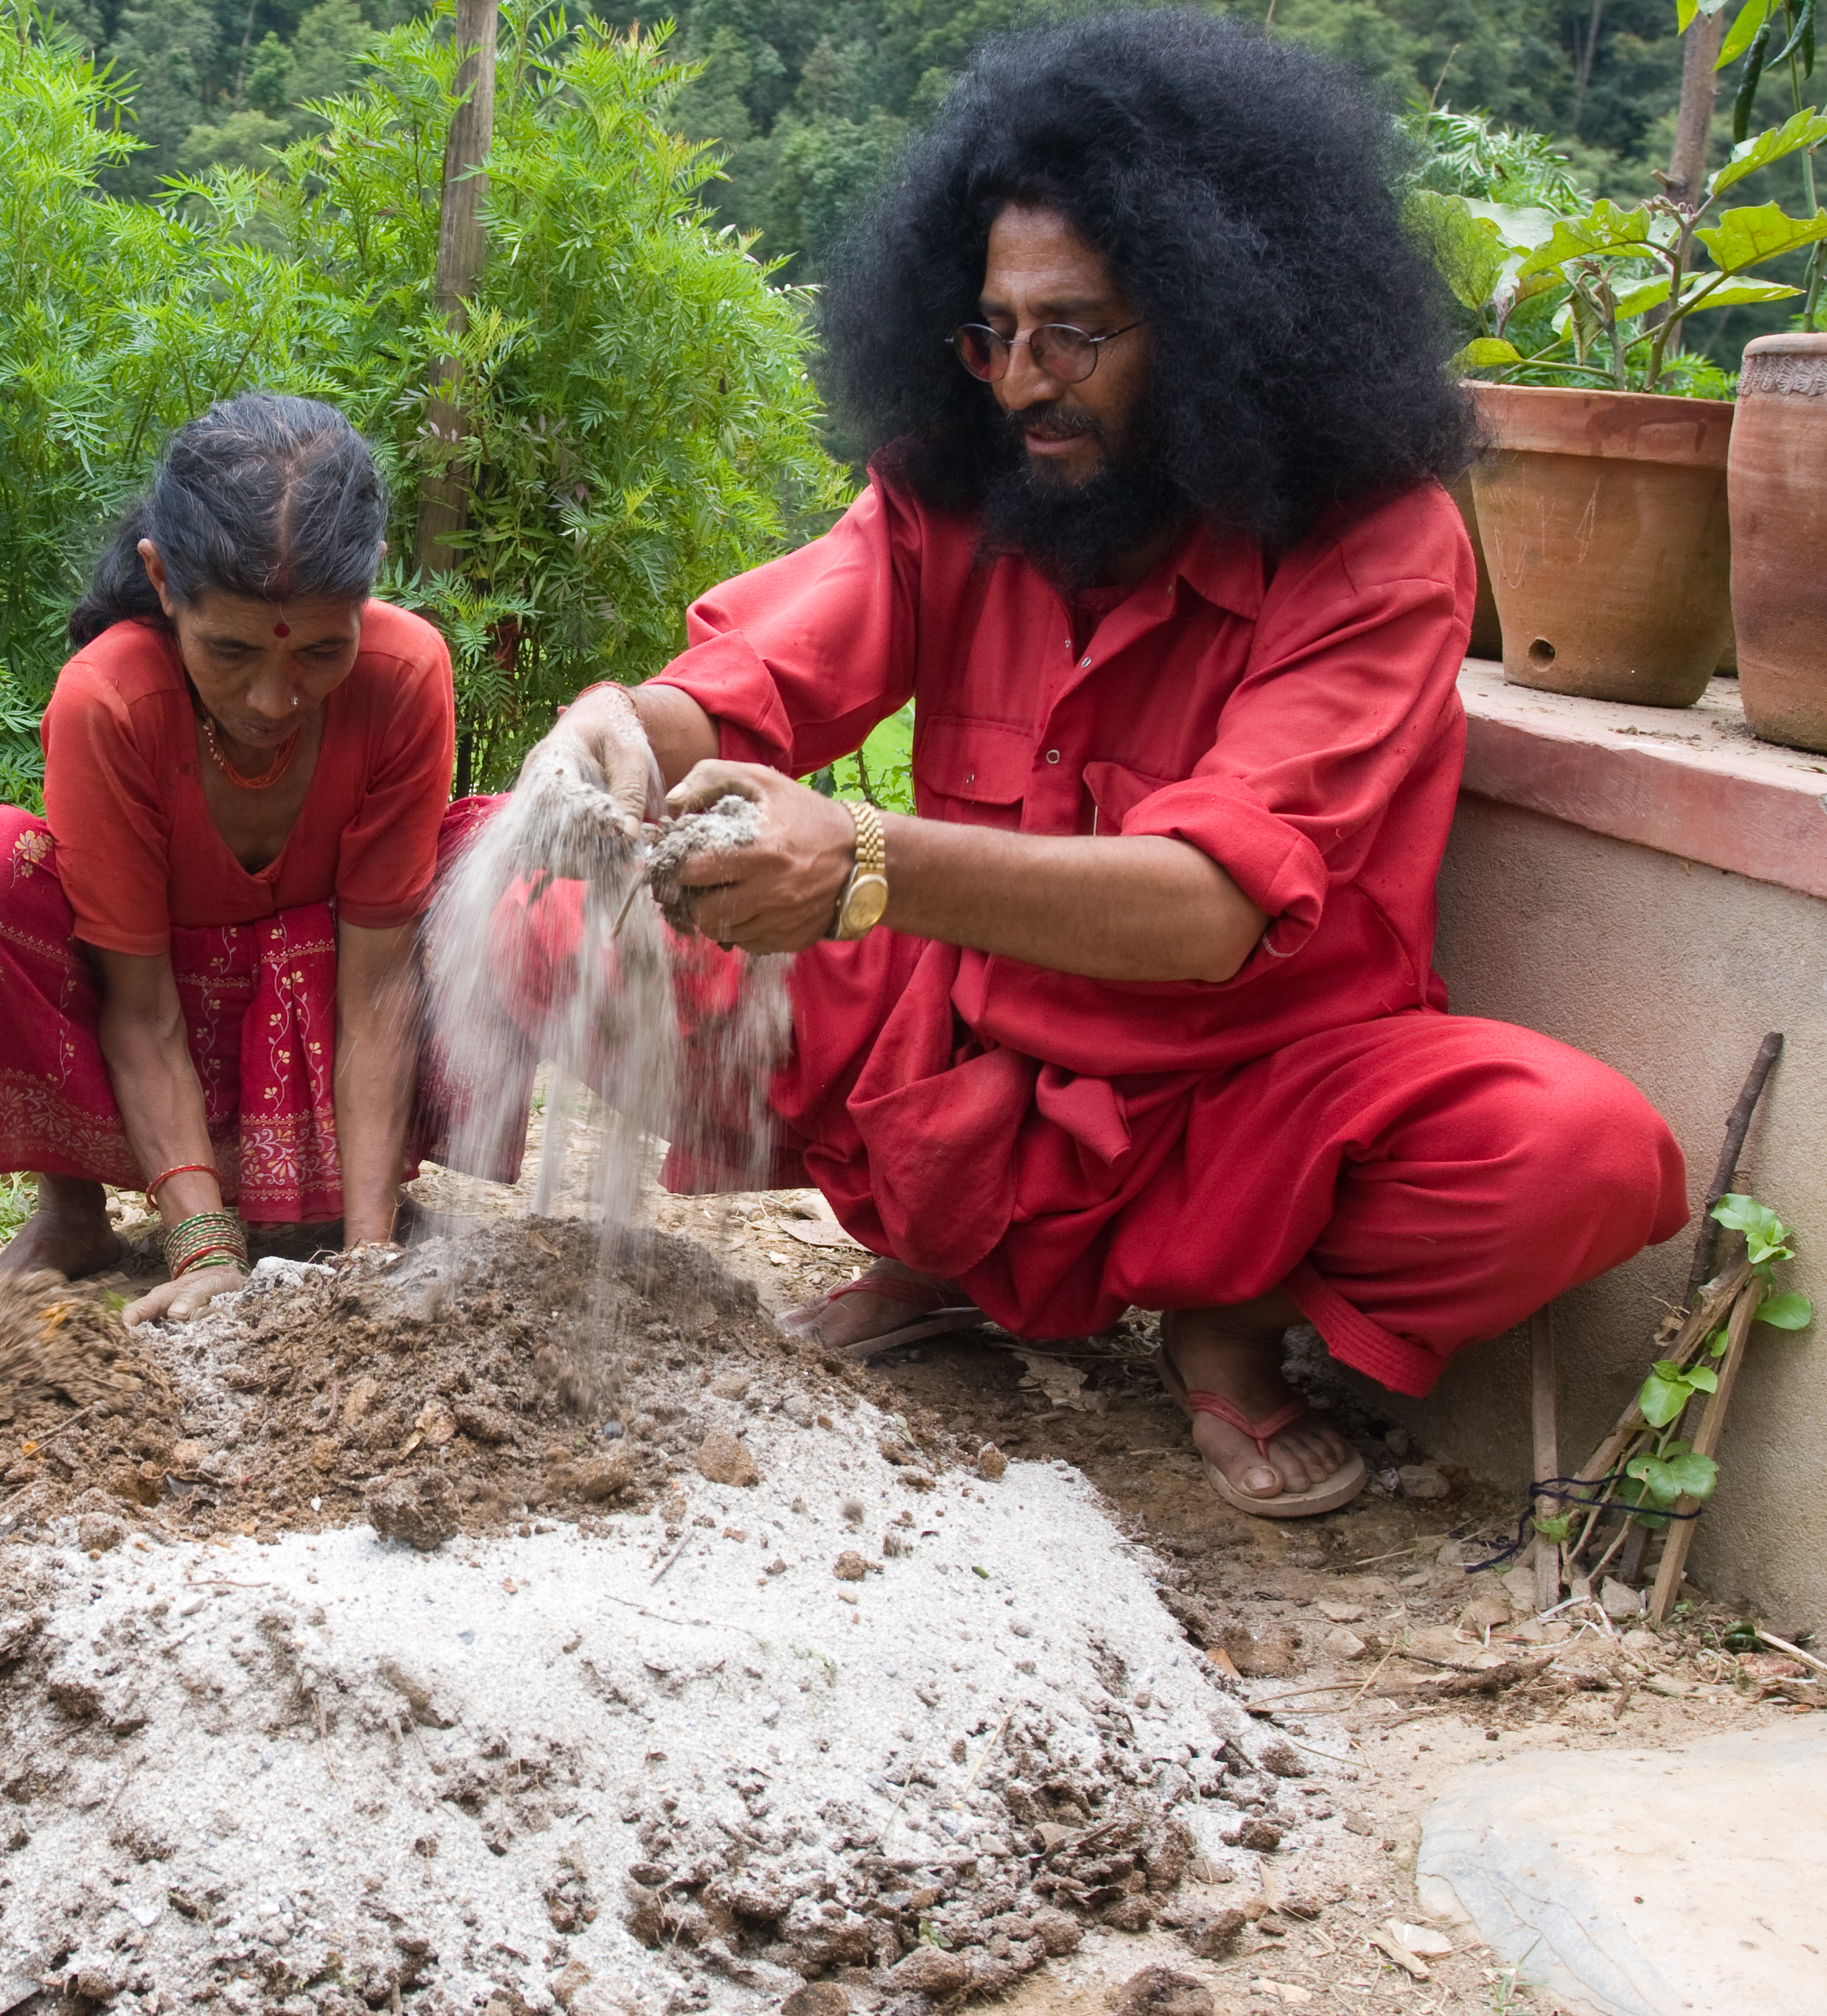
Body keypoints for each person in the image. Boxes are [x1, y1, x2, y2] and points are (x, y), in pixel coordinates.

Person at [522, 12, 1687, 1517]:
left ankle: (1231, 1320)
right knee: (531, 892)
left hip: (1240, 1089)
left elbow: (1207, 905)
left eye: (1072, 332)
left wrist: (866, 865)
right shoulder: (963, 488)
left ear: (1216, 320)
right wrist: (622, 726)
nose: (1018, 382)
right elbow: (768, 666)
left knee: (1576, 1153)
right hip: (954, 1045)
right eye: (989, 330)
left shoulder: (1376, 549)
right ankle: (935, 1256)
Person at [0, 393, 457, 1325]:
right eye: (231, 651)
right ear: (163, 582)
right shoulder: (110, 701)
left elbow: (378, 990)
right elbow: (140, 1008)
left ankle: (362, 1204)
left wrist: (370, 1254)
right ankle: (76, 1215)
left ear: (371, 581)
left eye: (322, 653)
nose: (274, 698)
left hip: (329, 1013)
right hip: (167, 1030)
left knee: (498, 856)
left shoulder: (406, 677)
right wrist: (205, 1254)